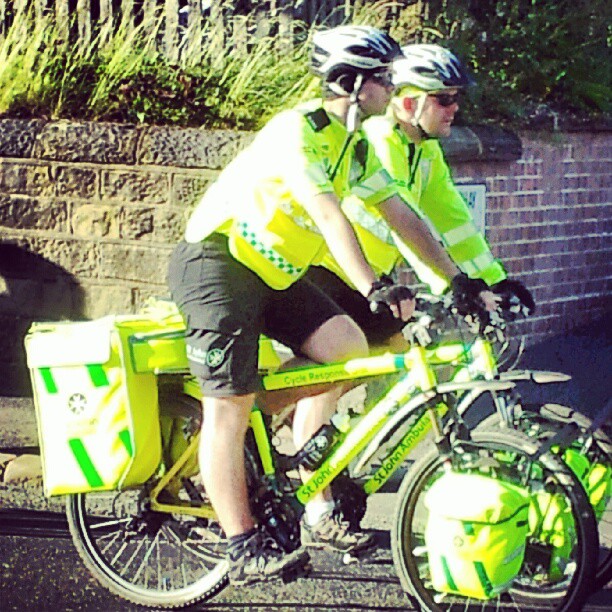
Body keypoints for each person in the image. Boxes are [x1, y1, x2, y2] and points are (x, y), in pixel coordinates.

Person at [167, 25, 449, 587]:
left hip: (271, 270)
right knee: (228, 405)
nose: (391, 89)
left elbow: (402, 215)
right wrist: (372, 285)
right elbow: (327, 213)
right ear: (352, 83)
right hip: (217, 261)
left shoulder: (353, 145)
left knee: (345, 346)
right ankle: (242, 546)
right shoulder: (295, 131)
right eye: (383, 79)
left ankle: (251, 431)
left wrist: (457, 281)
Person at [306, 43, 534, 350]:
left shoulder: (425, 149)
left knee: (399, 348)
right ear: (409, 103)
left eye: (456, 98)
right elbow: (403, 222)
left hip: (366, 277)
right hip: (328, 270)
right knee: (346, 358)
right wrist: (449, 285)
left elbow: (454, 221)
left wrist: (493, 279)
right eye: (444, 99)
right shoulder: (380, 140)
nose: (455, 108)